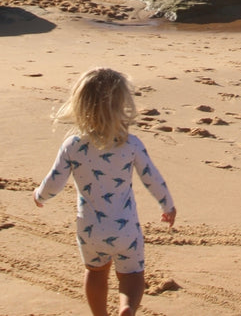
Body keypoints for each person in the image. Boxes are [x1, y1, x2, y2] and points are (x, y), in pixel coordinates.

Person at [33, 67, 176, 316]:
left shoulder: (73, 145)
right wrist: (167, 205)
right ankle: (127, 307)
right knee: (132, 275)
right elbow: (152, 178)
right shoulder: (130, 144)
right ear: (122, 105)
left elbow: (54, 182)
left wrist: (39, 195)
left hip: (90, 229)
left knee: (95, 273)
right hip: (125, 228)